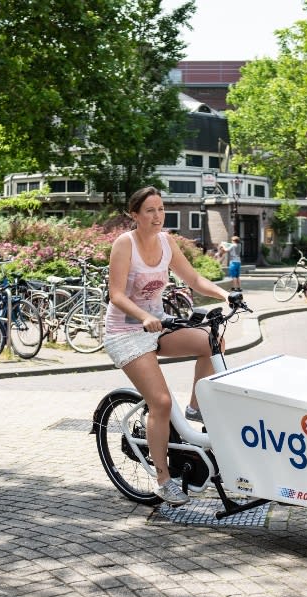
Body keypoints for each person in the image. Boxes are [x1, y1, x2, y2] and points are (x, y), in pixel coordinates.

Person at [103, 186, 235, 506]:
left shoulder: (166, 242)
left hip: (159, 325)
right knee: (160, 403)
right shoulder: (125, 245)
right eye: (149, 210)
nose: (157, 216)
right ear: (134, 215)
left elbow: (194, 279)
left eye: (161, 209)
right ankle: (163, 479)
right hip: (126, 331)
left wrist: (226, 295)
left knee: (212, 341)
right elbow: (116, 295)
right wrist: (143, 316)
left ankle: (195, 407)